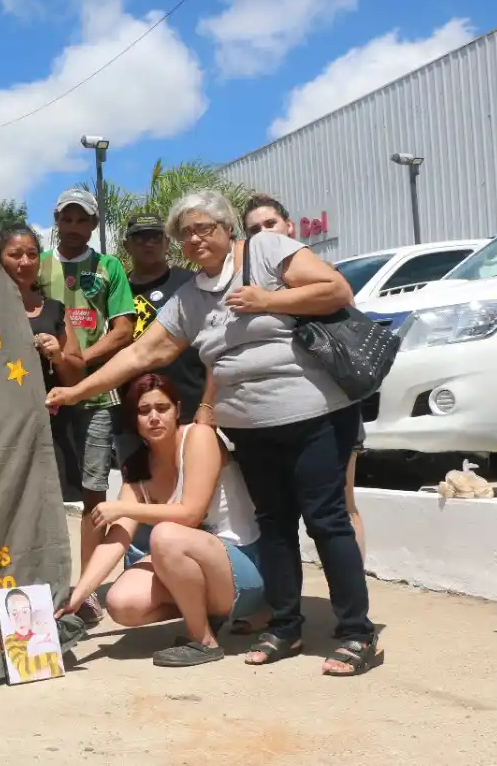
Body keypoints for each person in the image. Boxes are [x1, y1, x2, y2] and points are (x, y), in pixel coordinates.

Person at [48, 190, 382, 677]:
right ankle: (286, 627)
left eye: (205, 227)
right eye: (186, 232)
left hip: (311, 413)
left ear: (228, 228)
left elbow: (336, 290)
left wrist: (268, 299)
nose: (195, 238)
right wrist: (77, 392)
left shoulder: (265, 253)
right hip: (249, 426)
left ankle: (356, 631)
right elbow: (140, 355)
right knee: (275, 524)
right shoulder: (190, 298)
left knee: (326, 520)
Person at [60, 374, 264, 667]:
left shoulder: (199, 436)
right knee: (122, 603)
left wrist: (124, 509)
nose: (154, 417)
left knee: (166, 535)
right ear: (135, 419)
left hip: (245, 567)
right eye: (144, 411)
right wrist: (78, 597)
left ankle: (204, 640)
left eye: (162, 408)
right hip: (204, 571)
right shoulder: (138, 470)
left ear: (177, 409)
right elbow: (117, 540)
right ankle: (205, 613)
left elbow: (191, 513)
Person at [243, 194, 365, 563]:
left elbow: (345, 306)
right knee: (278, 514)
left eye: (270, 225)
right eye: (253, 230)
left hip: (334, 401)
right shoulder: (253, 278)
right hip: (279, 409)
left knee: (340, 506)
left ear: (289, 226)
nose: (263, 234)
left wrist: (268, 301)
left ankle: (351, 588)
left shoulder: (315, 269)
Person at [38, 187, 136, 624]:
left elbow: (124, 330)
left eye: (83, 220)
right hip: (44, 398)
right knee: (43, 492)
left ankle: (87, 590)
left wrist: (79, 366)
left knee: (94, 492)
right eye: (67, 218)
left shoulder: (109, 267)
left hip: (96, 396)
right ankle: (43, 585)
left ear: (94, 225)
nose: (75, 227)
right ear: (56, 220)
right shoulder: (36, 266)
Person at [0, 224, 85, 501]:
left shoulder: (54, 309)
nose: (25, 262)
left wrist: (59, 356)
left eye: (32, 254)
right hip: (1, 431)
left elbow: (76, 378)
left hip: (50, 431)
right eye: (15, 254)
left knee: (52, 508)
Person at [119, 212, 214, 477]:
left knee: (197, 492)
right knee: (144, 494)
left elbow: (214, 347)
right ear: (127, 245)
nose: (148, 243)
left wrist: (207, 405)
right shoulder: (118, 289)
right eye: (140, 237)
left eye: (155, 237)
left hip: (189, 408)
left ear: (166, 243)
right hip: (136, 417)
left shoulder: (191, 282)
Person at [2, 589, 64, 682]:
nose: (20, 618)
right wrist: (53, 656)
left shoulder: (42, 636)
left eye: (25, 611)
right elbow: (22, 666)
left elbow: (57, 668)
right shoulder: (10, 640)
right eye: (14, 613)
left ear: (31, 612)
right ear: (8, 616)